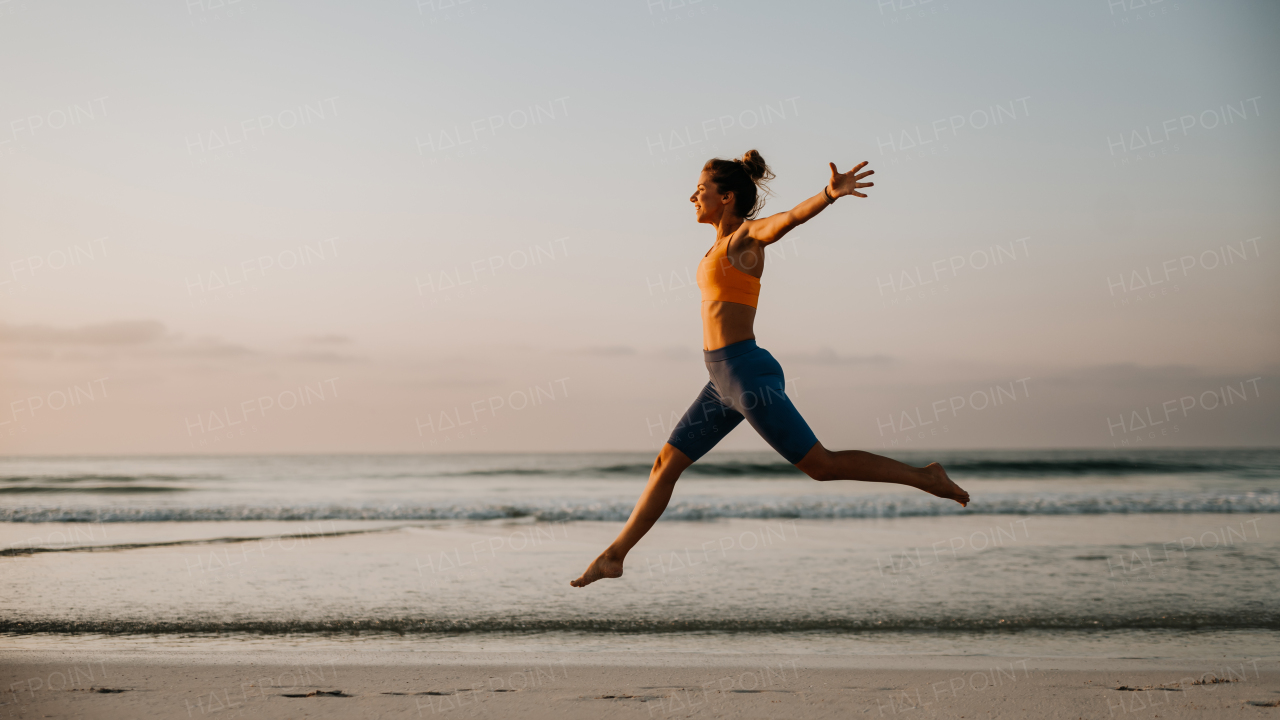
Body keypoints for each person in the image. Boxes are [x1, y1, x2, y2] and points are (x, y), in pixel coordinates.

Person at [570, 151, 969, 588]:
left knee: (821, 465)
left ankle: (926, 477)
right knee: (666, 462)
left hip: (747, 376)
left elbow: (785, 220)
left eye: (700, 191)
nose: (691, 197)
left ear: (726, 197)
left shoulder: (744, 239)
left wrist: (827, 196)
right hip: (721, 380)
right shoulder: (715, 246)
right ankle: (615, 555)